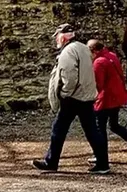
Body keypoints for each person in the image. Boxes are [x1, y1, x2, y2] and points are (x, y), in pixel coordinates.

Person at [35, 25, 109, 174]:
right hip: (86, 96)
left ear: (63, 37)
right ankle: (103, 163)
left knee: (58, 129)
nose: (56, 39)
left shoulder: (68, 52)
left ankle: (51, 162)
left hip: (73, 97)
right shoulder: (83, 48)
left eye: (57, 36)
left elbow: (69, 76)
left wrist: (64, 93)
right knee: (92, 130)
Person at [90, 32, 127, 162]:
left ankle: (101, 156)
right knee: (114, 125)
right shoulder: (111, 56)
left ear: (93, 51)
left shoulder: (99, 62)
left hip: (104, 99)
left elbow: (98, 84)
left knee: (99, 129)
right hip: (115, 97)